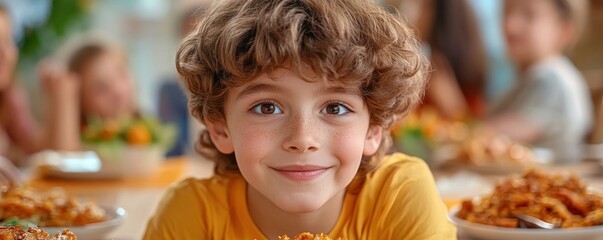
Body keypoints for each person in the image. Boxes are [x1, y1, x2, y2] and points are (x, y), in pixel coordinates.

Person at [143, 0, 456, 239]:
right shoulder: (190, 216)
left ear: (374, 128)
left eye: (335, 108)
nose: (303, 139)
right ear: (219, 127)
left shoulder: (399, 196)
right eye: (267, 108)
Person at [486, 0, 592, 163]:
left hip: (550, 181)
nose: (510, 25)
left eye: (529, 15)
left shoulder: (552, 77)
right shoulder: (527, 77)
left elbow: (496, 133)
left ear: (565, 30)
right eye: (507, 12)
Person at [385, 0, 488, 120]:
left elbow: (479, 130)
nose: (408, 13)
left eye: (422, 7)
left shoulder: (463, 76)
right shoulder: (407, 65)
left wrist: (453, 105)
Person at [40, 35, 137, 150]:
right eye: (101, 89)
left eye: (122, 74)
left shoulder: (144, 128)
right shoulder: (84, 141)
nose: (118, 91)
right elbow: (64, 157)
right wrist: (63, 97)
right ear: (79, 102)